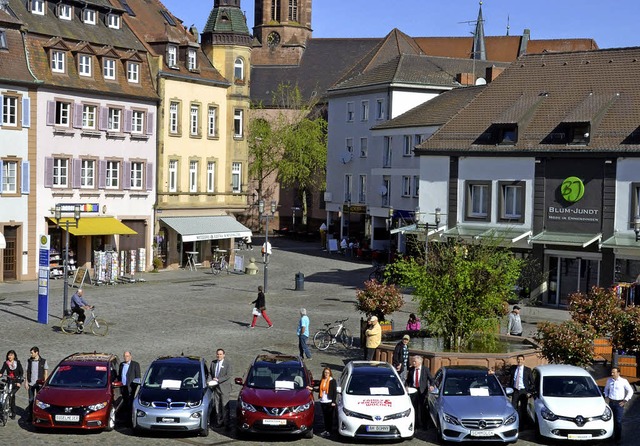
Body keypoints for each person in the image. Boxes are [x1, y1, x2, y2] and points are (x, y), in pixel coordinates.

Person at [604, 366, 633, 444]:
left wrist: (625, 400)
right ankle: (610, 436)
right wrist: (606, 396)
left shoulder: (623, 381)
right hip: (611, 402)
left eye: (614, 372)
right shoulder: (609, 380)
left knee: (618, 421)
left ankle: (618, 438)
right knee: (610, 420)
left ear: (618, 373)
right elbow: (606, 389)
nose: (612, 373)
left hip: (619, 403)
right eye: (611, 372)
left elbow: (630, 391)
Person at [406, 355, 434, 428]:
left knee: (423, 407)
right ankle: (416, 424)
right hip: (413, 390)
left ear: (419, 362)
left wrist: (432, 385)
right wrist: (406, 386)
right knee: (414, 407)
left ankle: (424, 424)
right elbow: (408, 380)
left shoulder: (425, 369)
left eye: (415, 361)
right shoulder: (411, 369)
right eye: (413, 361)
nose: (413, 363)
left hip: (422, 390)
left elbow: (431, 379)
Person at [24, 347, 48, 422]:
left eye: (32, 353)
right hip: (31, 383)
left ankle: (40, 416)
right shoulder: (29, 361)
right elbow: (27, 371)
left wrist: (45, 382)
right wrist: (26, 382)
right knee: (31, 400)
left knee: (40, 401)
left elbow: (45, 372)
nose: (31, 354)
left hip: (39, 384)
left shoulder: (43, 361)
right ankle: (30, 416)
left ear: (37, 352)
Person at [210, 349, 232, 429]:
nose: (219, 356)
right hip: (216, 388)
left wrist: (218, 380)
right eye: (218, 354)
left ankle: (227, 423)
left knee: (224, 406)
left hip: (224, 388)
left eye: (220, 354)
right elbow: (210, 374)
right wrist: (209, 381)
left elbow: (228, 375)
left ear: (224, 355)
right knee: (217, 405)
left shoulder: (227, 363)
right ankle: (219, 421)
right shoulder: (213, 363)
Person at [313, 367, 337, 438]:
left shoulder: (332, 381)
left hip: (329, 401)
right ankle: (326, 430)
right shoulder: (322, 380)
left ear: (330, 373)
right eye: (325, 372)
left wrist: (333, 401)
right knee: (325, 417)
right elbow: (320, 390)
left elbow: (334, 392)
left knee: (329, 417)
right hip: (323, 401)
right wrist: (312, 389)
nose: (326, 374)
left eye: (327, 373)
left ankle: (329, 431)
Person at [508, 354, 532, 420]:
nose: (519, 361)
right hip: (515, 390)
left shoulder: (528, 370)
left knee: (523, 409)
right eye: (518, 359)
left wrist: (529, 392)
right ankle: (514, 421)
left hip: (524, 391)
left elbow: (532, 382)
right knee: (513, 407)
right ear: (517, 360)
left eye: (521, 359)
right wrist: (494, 372)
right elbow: (506, 373)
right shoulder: (513, 368)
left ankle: (523, 425)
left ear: (524, 360)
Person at [0, 350, 23, 419]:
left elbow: (21, 373)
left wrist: (19, 381)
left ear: (14, 356)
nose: (10, 356)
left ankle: (13, 412)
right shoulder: (6, 363)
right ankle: (8, 409)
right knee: (9, 396)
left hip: (16, 382)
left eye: (11, 355)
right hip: (9, 382)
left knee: (12, 395)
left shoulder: (17, 363)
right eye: (9, 355)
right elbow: (2, 371)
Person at [118, 351, 141, 416]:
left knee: (130, 401)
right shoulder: (121, 365)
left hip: (131, 387)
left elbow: (138, 377)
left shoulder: (135, 364)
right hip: (123, 386)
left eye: (127, 356)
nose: (126, 357)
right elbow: (120, 375)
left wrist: (135, 386)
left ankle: (130, 414)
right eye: (124, 356)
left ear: (130, 357)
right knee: (124, 401)